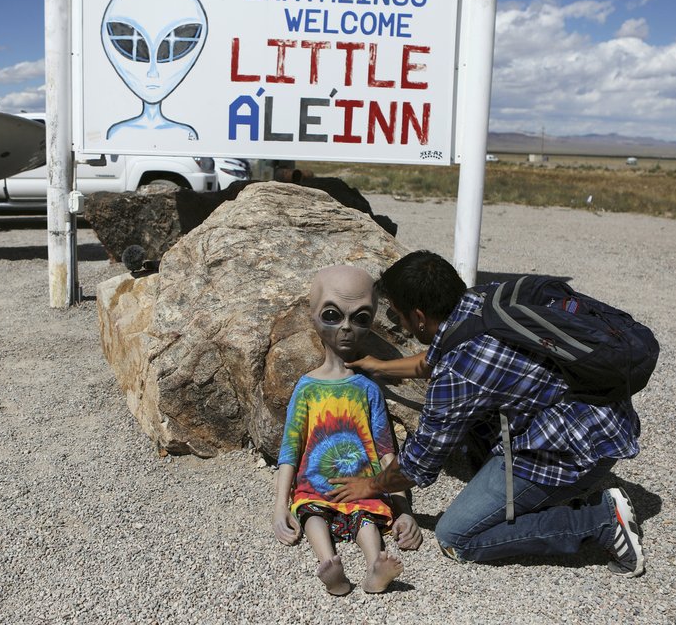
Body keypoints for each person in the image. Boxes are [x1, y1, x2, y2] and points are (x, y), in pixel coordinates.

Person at [331, 250, 646, 577]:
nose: (401, 326)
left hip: (577, 450)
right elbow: (434, 358)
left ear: (420, 316)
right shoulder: (479, 300)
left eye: (399, 317)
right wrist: (381, 366)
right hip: (603, 418)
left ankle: (600, 521)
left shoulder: (459, 373)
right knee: (474, 436)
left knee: (456, 536)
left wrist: (369, 486)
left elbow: (420, 462)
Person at [272, 265, 422, 596]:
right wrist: (280, 505)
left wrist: (404, 510)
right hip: (315, 484)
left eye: (360, 318)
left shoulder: (368, 388)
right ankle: (330, 565)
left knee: (367, 517)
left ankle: (374, 567)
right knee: (312, 513)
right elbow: (290, 447)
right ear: (312, 315)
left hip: (363, 485)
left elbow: (386, 451)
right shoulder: (307, 386)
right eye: (332, 315)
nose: (346, 328)